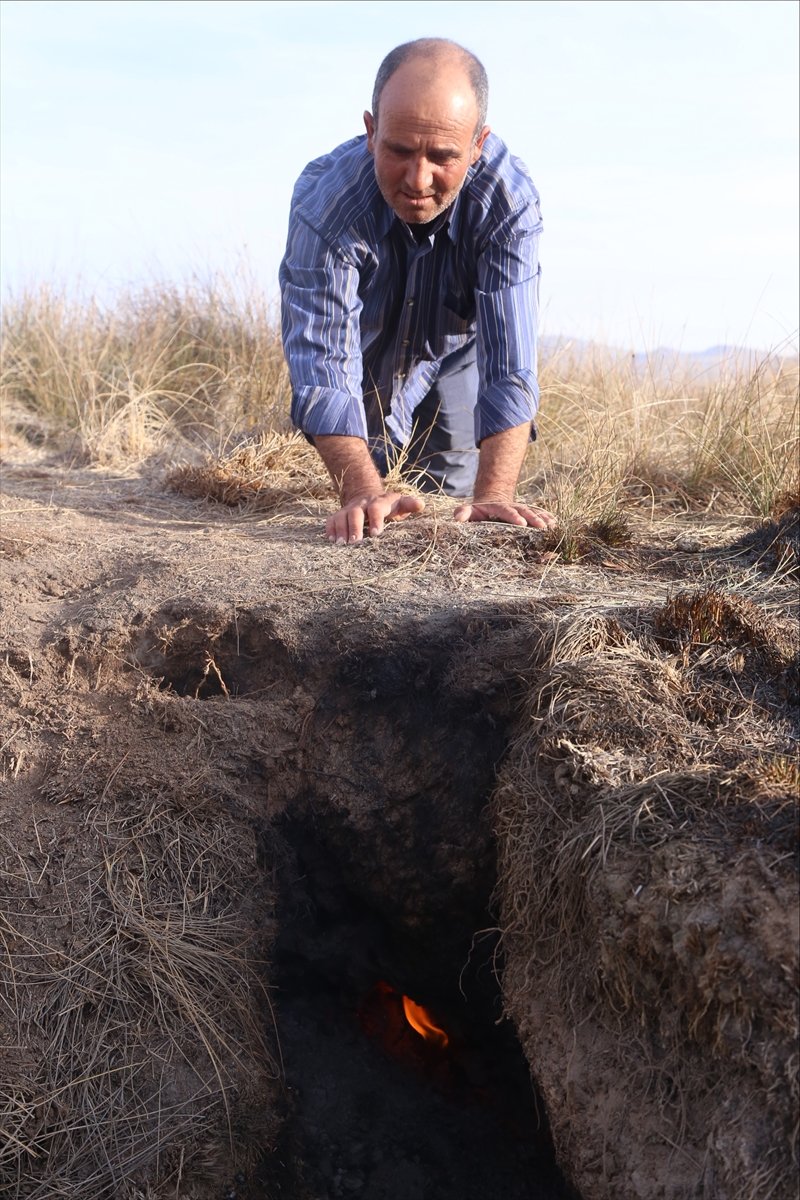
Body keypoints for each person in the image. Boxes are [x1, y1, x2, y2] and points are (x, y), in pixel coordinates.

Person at [280, 37, 556, 544]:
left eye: (443, 156)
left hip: (456, 348)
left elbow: (510, 361)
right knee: (368, 476)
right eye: (400, 150)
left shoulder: (508, 202)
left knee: (449, 492)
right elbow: (321, 361)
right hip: (363, 349)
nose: (418, 179)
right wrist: (360, 490)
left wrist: (494, 494)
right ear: (371, 130)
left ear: (477, 145)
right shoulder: (327, 205)